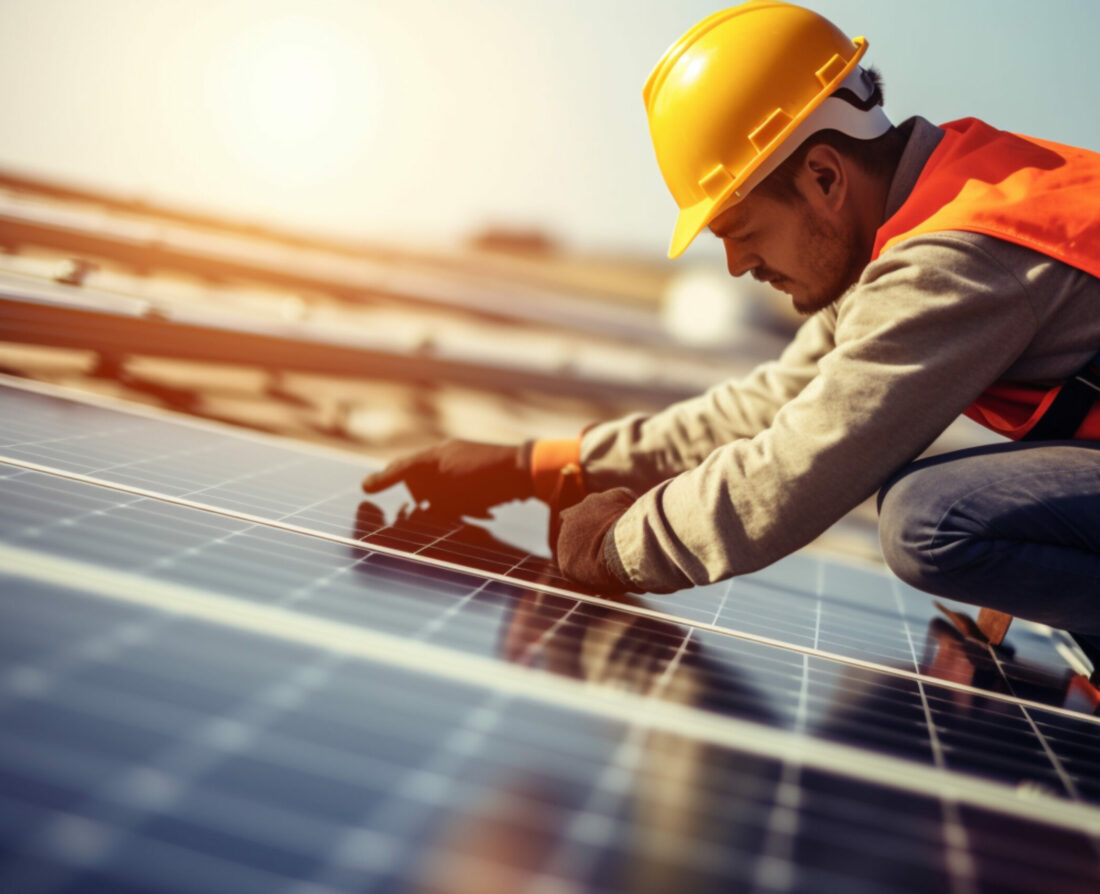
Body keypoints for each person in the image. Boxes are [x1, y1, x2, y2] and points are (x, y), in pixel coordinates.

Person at [362, 1, 1100, 657]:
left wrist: (619, 547)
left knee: (930, 518)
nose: (737, 263)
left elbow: (800, 467)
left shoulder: (954, 258)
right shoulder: (927, 216)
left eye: (741, 229)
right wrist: (542, 464)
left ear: (824, 177)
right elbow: (777, 405)